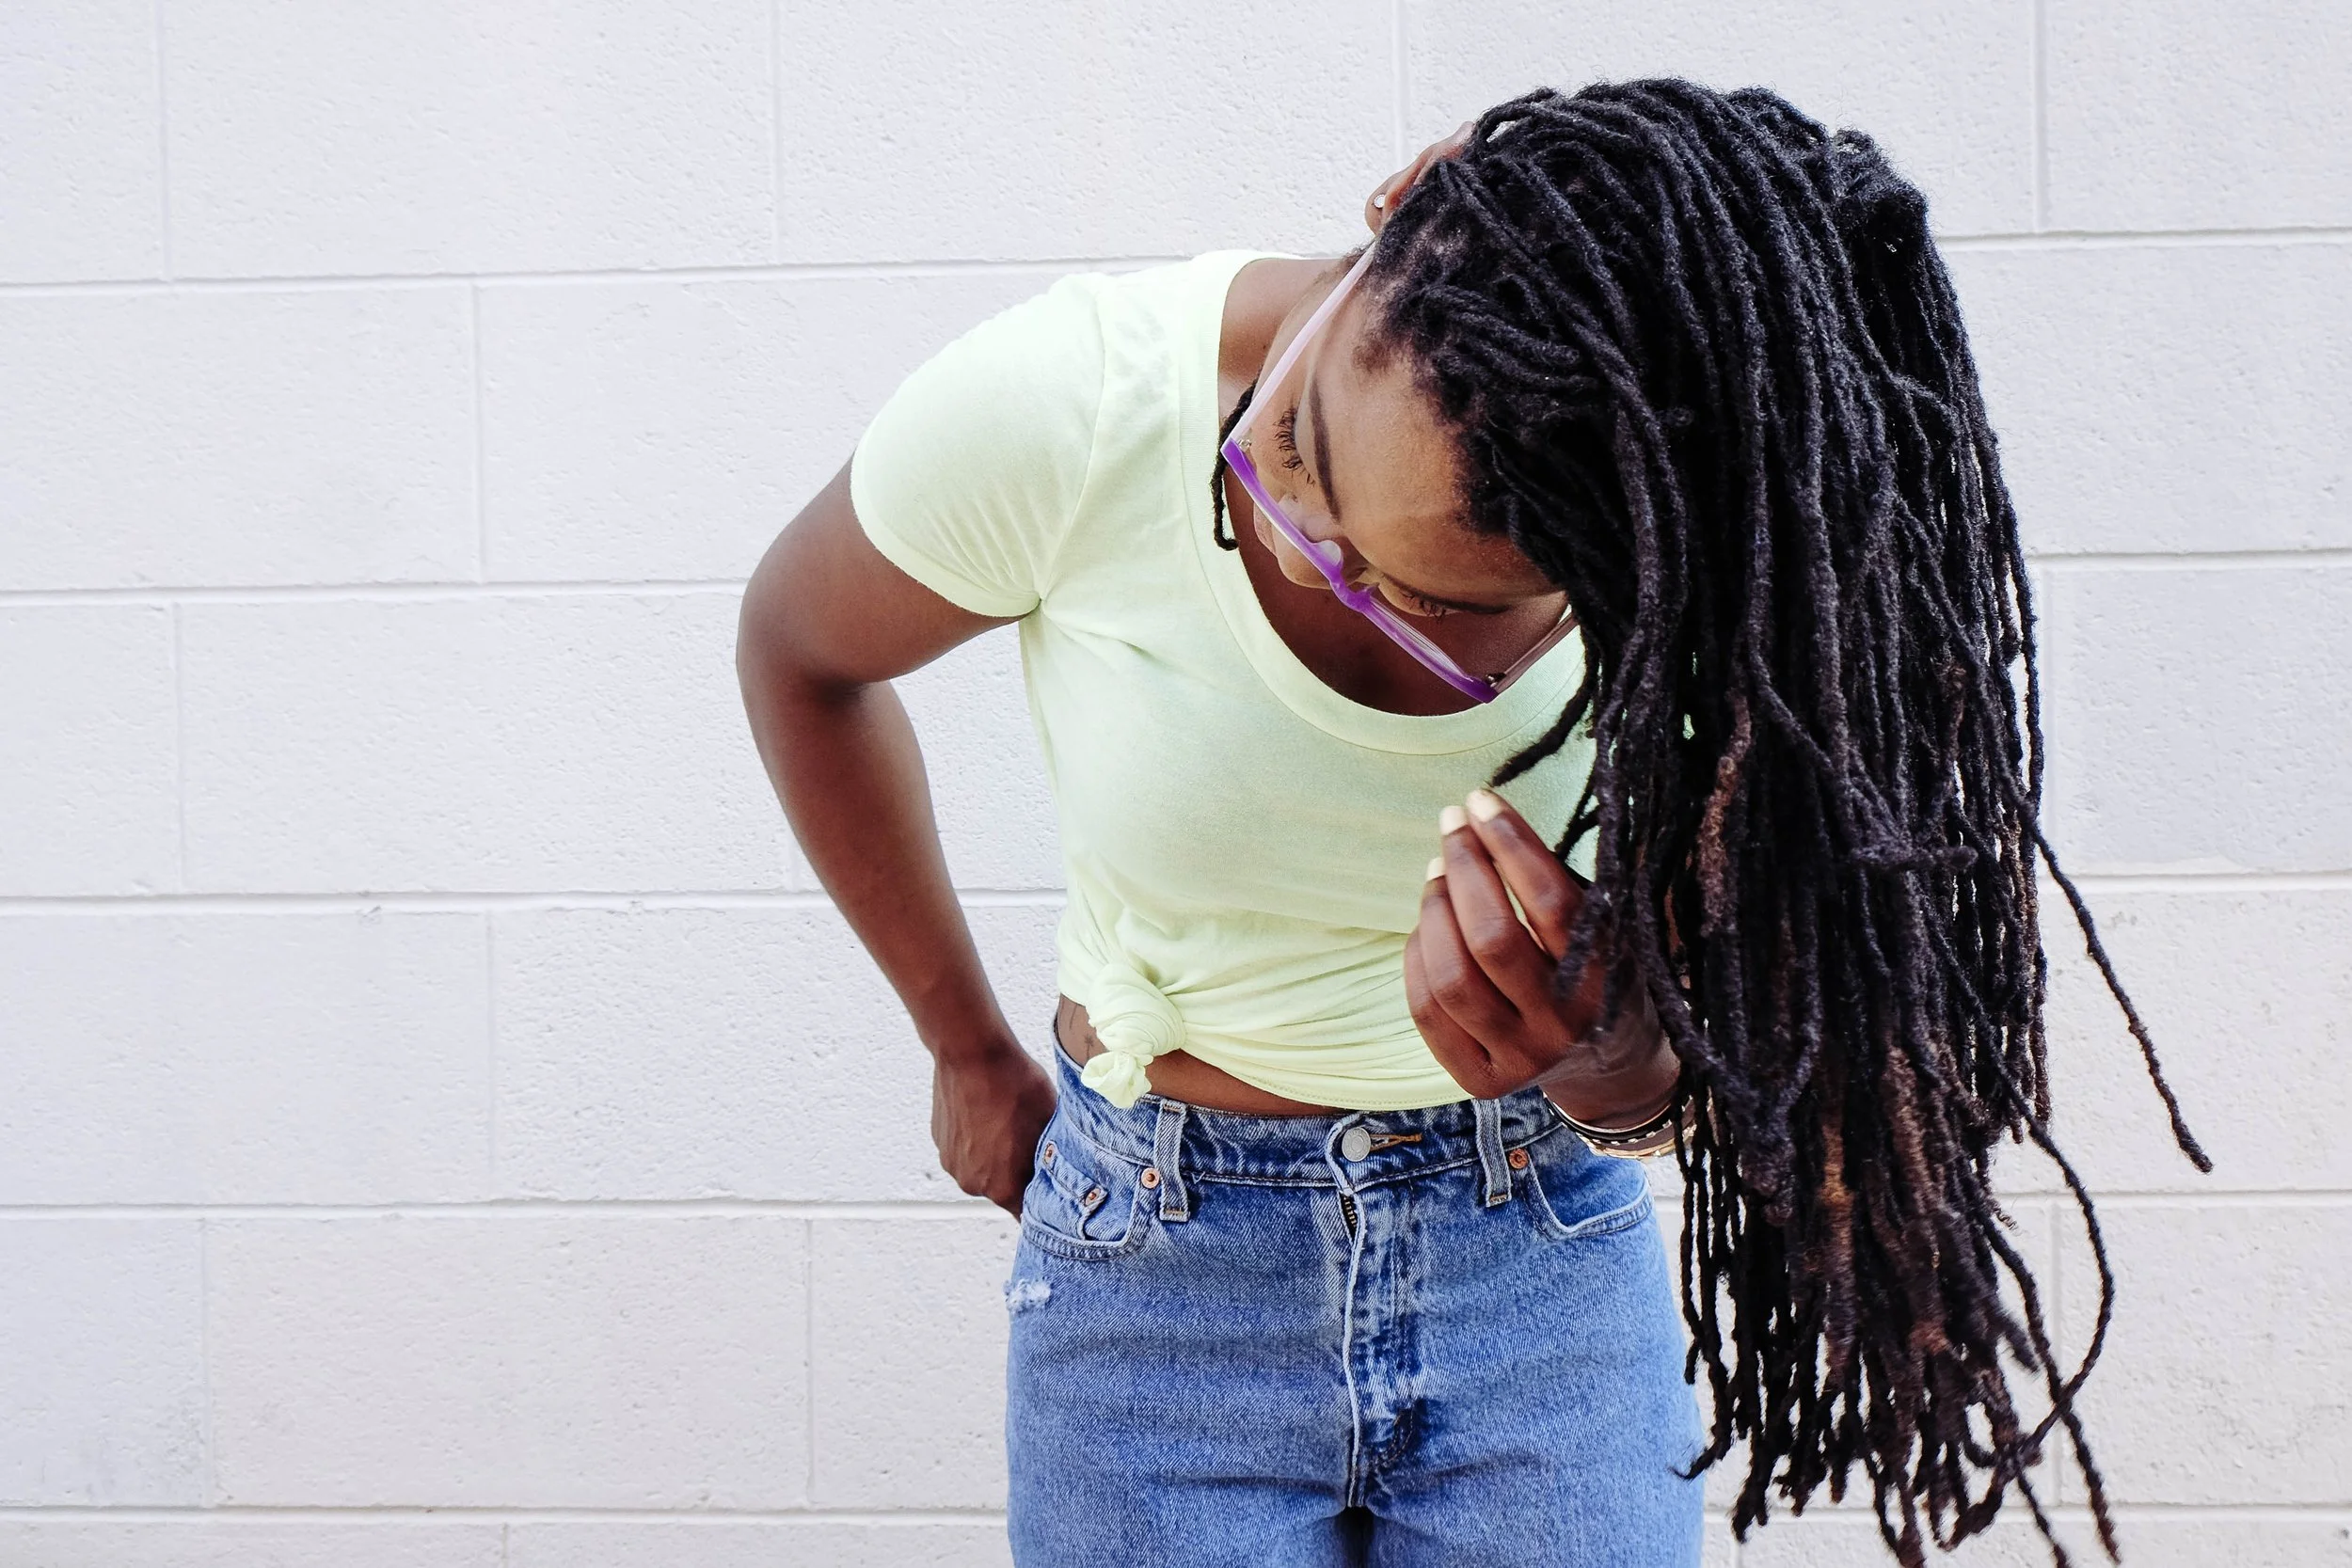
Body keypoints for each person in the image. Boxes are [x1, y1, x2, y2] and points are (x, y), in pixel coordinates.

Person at [736, 81, 2202, 1568]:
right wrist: (963, 1042)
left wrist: (1598, 1056)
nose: (1303, 550)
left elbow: (1713, 1080)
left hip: (1538, 1263)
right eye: (1291, 439)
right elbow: (802, 654)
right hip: (1157, 1282)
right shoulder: (1079, 402)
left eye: (1429, 605)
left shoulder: (1709, 607)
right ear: (1406, 198)